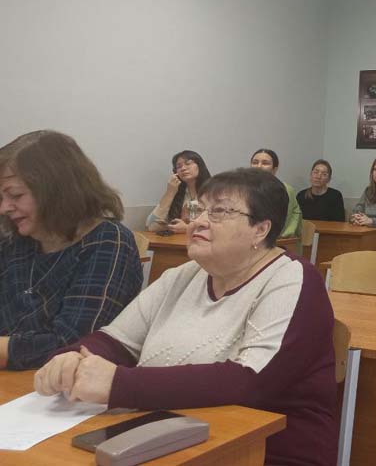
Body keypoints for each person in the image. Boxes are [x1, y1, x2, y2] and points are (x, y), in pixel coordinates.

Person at [33, 168, 339, 465]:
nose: (199, 222)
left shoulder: (292, 279)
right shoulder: (181, 276)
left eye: (218, 212)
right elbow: (116, 341)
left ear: (260, 229)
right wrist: (73, 358)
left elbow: (250, 381)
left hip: (262, 450)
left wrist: (119, 384)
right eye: (199, 210)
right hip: (165, 437)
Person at [0, 130, 142, 370]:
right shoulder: (15, 240)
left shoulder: (108, 241)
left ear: (55, 191)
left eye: (16, 195)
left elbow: (73, 343)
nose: (4, 208)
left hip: (62, 384)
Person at [146, 150, 211, 233]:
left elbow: (221, 227)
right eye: (179, 167)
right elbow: (151, 226)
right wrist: (170, 192)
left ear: (200, 166)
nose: (183, 168)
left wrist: (187, 228)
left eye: (188, 163)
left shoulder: (214, 192)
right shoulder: (179, 194)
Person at [250, 149, 302, 239]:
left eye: (265, 163)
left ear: (274, 169)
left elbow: (286, 220)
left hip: (277, 239)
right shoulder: (243, 189)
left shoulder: (284, 190)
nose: (259, 166)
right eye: (255, 162)